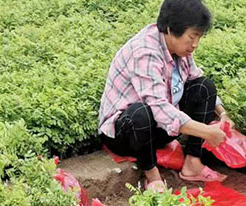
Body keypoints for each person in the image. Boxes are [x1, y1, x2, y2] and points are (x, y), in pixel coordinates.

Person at [98, 0, 233, 191]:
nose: (195, 45)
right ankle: (152, 176)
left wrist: (222, 113)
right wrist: (206, 132)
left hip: (159, 127)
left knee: (204, 86)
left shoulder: (180, 48)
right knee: (141, 113)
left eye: (199, 37)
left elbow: (196, 76)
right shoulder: (145, 52)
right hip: (126, 134)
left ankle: (193, 163)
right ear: (171, 29)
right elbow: (158, 108)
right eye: (191, 37)